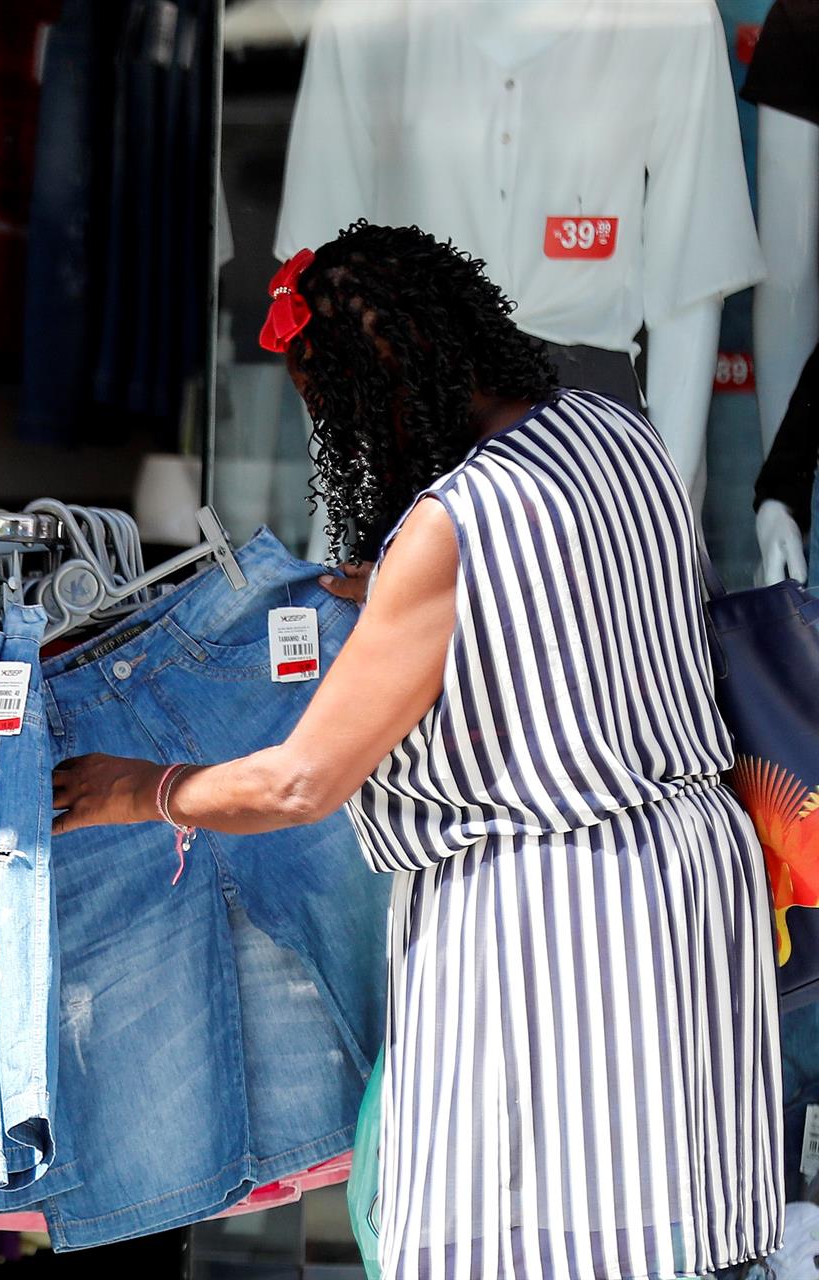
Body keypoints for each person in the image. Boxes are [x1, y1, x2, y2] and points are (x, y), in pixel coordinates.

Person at [53, 222, 782, 1280]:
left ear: (384, 386)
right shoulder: (616, 435)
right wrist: (397, 592)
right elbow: (563, 610)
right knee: (681, 1222)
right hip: (687, 883)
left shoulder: (453, 522)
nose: (338, 440)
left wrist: (145, 787)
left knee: (543, 1235)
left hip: (552, 915)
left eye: (334, 410)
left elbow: (302, 779)